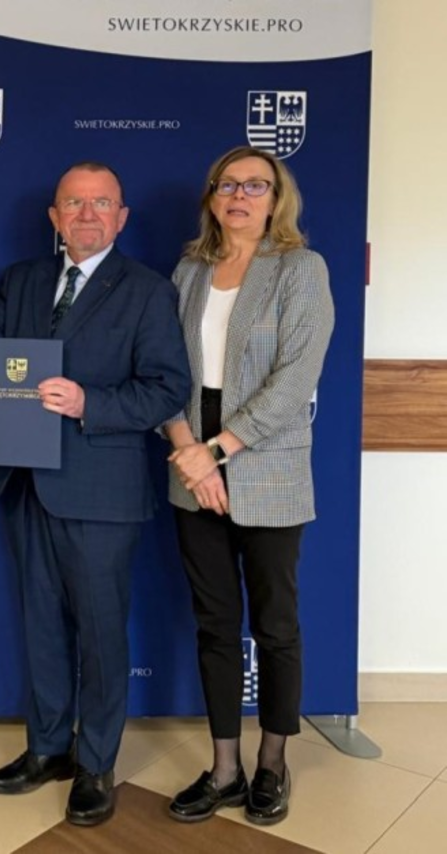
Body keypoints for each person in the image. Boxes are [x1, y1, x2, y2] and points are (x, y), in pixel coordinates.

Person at [0, 163, 190, 826]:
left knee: (101, 636)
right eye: (74, 203)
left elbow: (168, 389)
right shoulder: (22, 280)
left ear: (122, 217)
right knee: (43, 627)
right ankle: (49, 748)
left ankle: (97, 763)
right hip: (25, 482)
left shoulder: (147, 291)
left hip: (102, 493)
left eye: (101, 203)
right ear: (55, 217)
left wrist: (89, 403)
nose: (87, 214)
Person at [163, 146, 333, 827]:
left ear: (276, 198)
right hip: (192, 466)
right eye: (227, 185)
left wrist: (218, 452)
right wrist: (190, 452)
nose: (240, 196)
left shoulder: (300, 268)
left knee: (276, 626)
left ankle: (272, 763)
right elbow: (164, 370)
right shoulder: (188, 271)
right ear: (211, 197)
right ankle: (225, 768)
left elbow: (295, 380)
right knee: (215, 624)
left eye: (255, 185)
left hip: (267, 464)